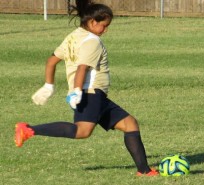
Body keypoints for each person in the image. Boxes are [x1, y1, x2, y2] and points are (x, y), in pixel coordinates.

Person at [14, 0, 158, 177]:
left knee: (130, 124)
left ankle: (144, 171)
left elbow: (51, 61)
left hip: (93, 95)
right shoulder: (92, 41)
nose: (106, 30)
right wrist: (76, 91)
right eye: (104, 26)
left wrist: (48, 85)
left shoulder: (73, 36)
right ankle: (28, 129)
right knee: (82, 131)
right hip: (90, 93)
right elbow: (83, 68)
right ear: (92, 22)